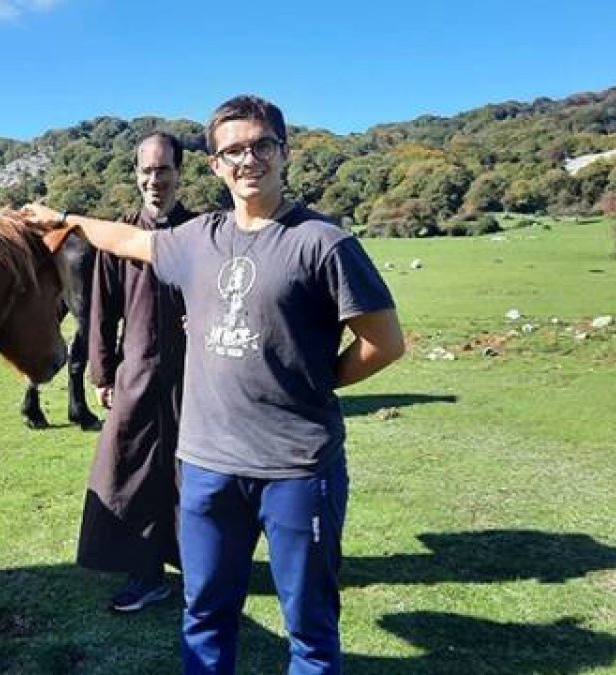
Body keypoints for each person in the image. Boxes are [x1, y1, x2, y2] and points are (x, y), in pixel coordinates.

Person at [24, 95, 405, 674]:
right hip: (206, 469)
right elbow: (128, 242)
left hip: (298, 471)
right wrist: (67, 221)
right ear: (215, 165)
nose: (248, 160)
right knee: (203, 614)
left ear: (284, 152)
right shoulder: (198, 238)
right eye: (233, 150)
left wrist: (316, 379)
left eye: (261, 146)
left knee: (310, 628)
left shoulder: (323, 242)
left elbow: (384, 343)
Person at [78, 132, 198, 613]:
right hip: (138, 372)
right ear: (136, 175)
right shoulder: (119, 236)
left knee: (194, 474)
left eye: (163, 169)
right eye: (146, 171)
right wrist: (103, 374)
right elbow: (100, 312)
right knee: (130, 471)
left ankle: (197, 568)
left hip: (197, 377)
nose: (155, 180)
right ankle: (143, 573)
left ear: (179, 172)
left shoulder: (201, 231)